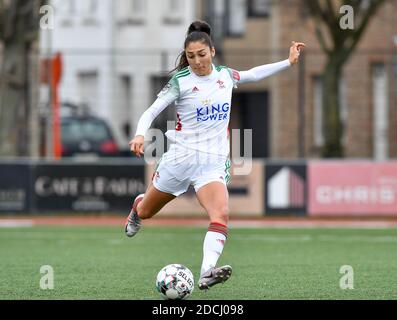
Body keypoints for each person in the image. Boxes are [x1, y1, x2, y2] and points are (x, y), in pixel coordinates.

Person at [125, 20, 305, 290]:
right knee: (147, 211)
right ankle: (138, 205)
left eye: (201, 54)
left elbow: (253, 74)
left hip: (211, 164)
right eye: (190, 56)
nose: (196, 61)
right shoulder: (180, 82)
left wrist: (288, 62)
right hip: (180, 159)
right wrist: (140, 134)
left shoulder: (225, 76)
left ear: (212, 51)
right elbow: (151, 111)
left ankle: (207, 271)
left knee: (220, 214)